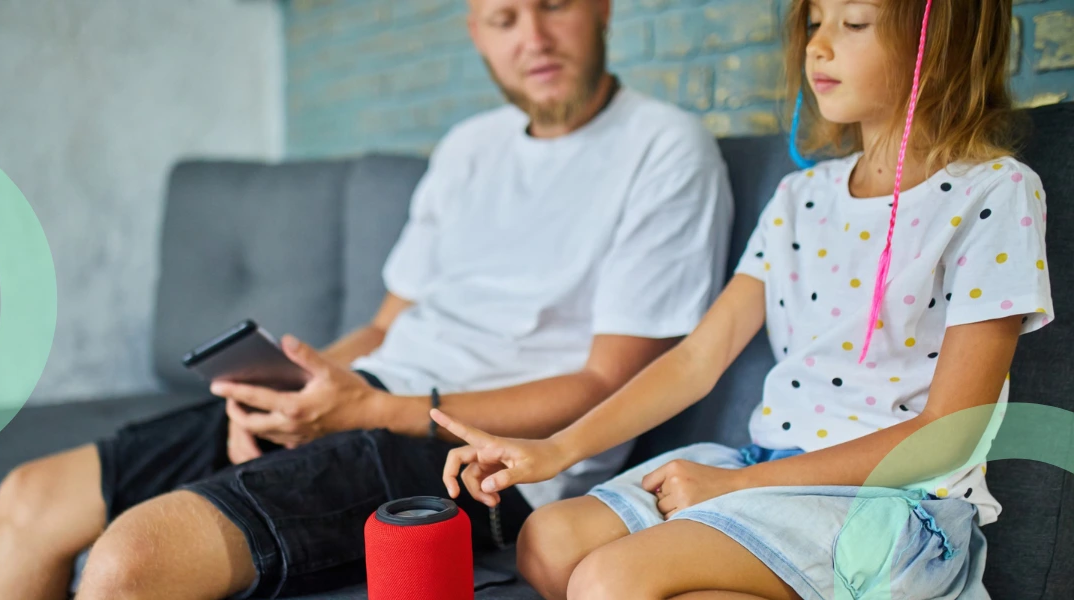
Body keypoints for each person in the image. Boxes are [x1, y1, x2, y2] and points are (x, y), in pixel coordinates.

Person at [0, 1, 733, 598]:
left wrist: (369, 411)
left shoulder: (664, 149)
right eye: (503, 17)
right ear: (476, 32)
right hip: (372, 402)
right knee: (34, 496)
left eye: (555, 5)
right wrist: (279, 393)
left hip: (487, 462)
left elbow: (608, 387)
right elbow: (384, 326)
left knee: (133, 559)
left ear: (601, 7)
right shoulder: (469, 149)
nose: (533, 35)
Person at [431, 0, 1052, 598]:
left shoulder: (995, 192)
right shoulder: (799, 197)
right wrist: (556, 448)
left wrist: (737, 484)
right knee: (546, 540)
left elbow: (948, 434)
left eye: (855, 22)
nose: (818, 45)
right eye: (813, 21)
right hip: (769, 465)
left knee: (608, 582)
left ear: (938, 44)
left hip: (894, 502)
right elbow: (697, 359)